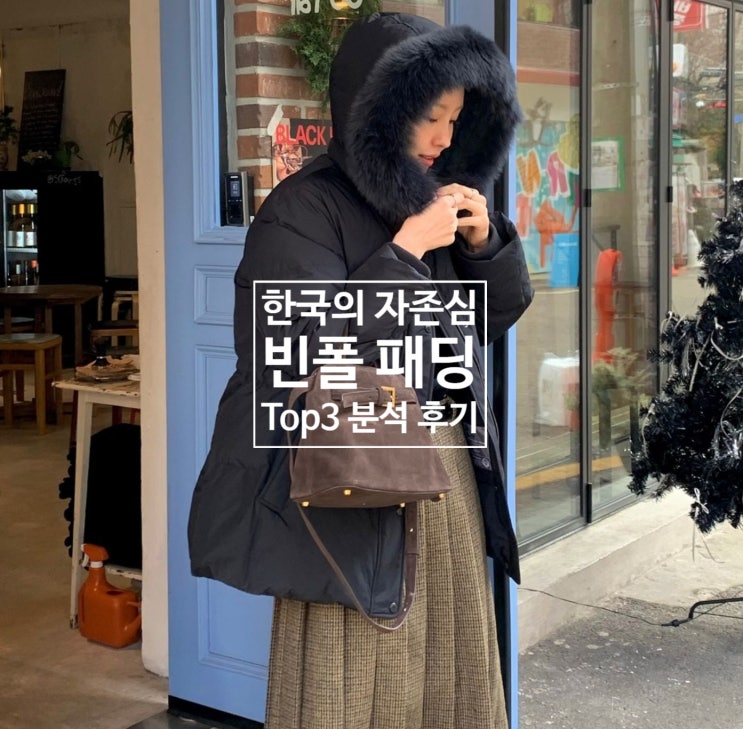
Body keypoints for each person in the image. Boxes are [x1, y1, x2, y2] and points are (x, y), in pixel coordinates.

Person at [188, 12, 533, 729]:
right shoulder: (300, 208)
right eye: (430, 118)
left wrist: (483, 247)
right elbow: (295, 348)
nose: (444, 139)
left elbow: (486, 320)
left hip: (444, 468)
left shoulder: (431, 199)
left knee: (448, 673)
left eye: (456, 120)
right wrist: (404, 253)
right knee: (347, 687)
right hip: (350, 480)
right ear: (380, 112)